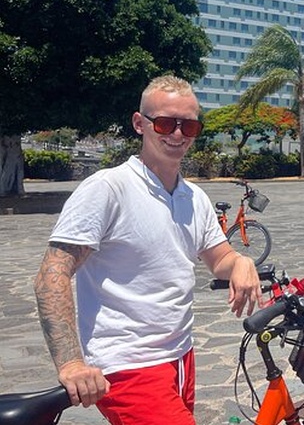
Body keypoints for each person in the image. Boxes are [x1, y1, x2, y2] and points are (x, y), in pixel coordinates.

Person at [33, 75, 262, 424]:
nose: (177, 135)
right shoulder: (108, 189)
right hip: (128, 364)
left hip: (181, 356)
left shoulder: (193, 197)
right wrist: (71, 363)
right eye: (166, 123)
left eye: (189, 126)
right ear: (140, 124)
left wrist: (241, 262)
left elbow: (220, 259)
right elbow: (52, 275)